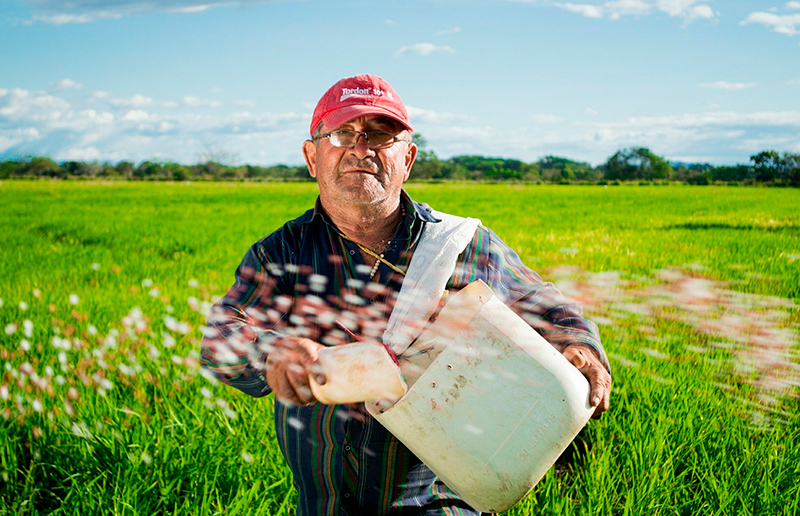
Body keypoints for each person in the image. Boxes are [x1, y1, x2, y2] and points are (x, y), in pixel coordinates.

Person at [200, 74, 611, 516]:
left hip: (440, 500)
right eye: (342, 133)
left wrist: (579, 343)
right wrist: (270, 351)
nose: (361, 147)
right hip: (324, 504)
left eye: (381, 135)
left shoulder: (460, 244)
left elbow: (543, 302)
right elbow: (220, 335)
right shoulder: (281, 253)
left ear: (408, 158)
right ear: (311, 156)